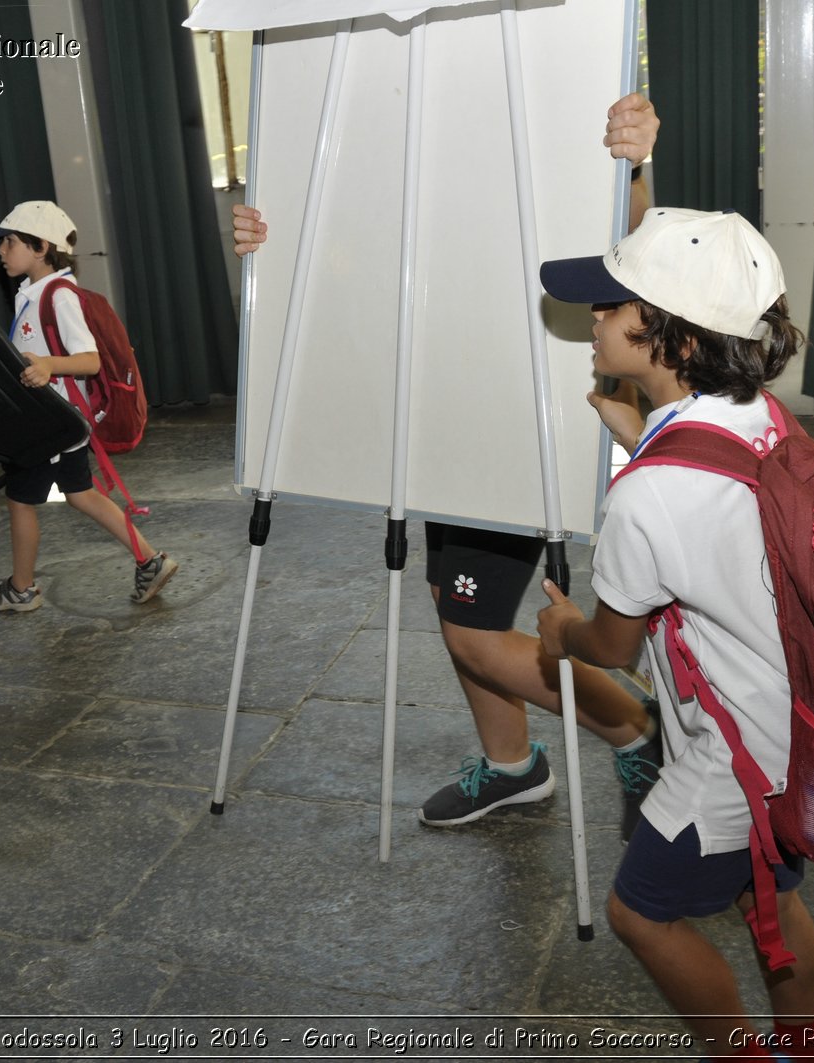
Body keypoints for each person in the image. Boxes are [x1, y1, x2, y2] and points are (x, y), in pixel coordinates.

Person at [230, 94, 663, 838]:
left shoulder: (534, 128)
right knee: (457, 607)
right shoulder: (415, 157)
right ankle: (512, 765)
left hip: (519, 424)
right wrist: (274, 235)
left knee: (474, 632)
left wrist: (636, 162)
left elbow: (632, 248)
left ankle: (637, 731)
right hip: (438, 418)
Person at [535, 207, 814, 1062]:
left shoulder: (649, 496)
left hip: (732, 755)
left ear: (669, 335)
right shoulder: (763, 418)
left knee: (641, 911)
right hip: (797, 730)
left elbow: (614, 645)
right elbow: (715, 509)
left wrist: (560, 628)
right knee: (769, 902)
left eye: (609, 306)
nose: (592, 320)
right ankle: (810, 1051)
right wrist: (644, 440)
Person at [0, 201, 178, 613]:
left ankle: (21, 588)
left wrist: (48, 365)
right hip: (59, 421)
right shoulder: (33, 293)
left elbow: (91, 361)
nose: (0, 250)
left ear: (40, 247)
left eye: (9, 242)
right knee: (81, 493)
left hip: (50, 422)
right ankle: (150, 560)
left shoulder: (58, 297)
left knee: (20, 499)